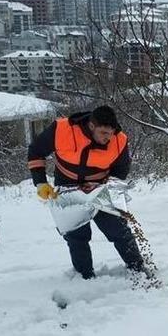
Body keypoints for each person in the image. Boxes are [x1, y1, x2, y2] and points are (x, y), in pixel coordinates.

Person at [27, 105, 145, 279]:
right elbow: (36, 151)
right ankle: (85, 275)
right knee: (76, 234)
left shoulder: (119, 139)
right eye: (104, 133)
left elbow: (121, 169)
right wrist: (40, 183)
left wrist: (104, 185)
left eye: (111, 133)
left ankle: (137, 267)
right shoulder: (62, 129)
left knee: (118, 229)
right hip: (67, 185)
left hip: (100, 186)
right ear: (91, 126)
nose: (108, 137)